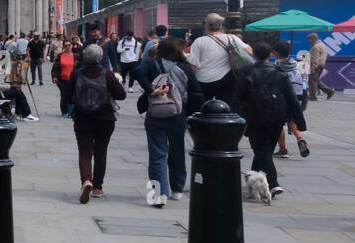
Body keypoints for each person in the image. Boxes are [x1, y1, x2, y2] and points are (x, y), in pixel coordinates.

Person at [134, 38, 202, 207]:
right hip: (178, 115)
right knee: (177, 150)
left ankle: (158, 194)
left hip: (155, 113)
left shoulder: (151, 64)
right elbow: (196, 92)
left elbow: (137, 71)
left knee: (157, 154)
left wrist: (151, 90)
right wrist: (192, 114)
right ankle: (177, 188)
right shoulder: (185, 67)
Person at [234, 41, 303, 199]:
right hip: (276, 117)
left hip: (254, 116)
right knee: (263, 151)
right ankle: (253, 184)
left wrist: (235, 118)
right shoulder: (279, 72)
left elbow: (238, 97)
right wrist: (299, 120)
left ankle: (273, 183)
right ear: (270, 54)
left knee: (261, 151)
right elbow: (291, 98)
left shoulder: (245, 71)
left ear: (254, 55)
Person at [65, 44, 126, 203]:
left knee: (84, 152)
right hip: (105, 118)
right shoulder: (108, 74)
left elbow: (68, 96)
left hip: (82, 118)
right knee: (101, 151)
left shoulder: (77, 74)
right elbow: (121, 95)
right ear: (100, 58)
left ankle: (86, 180)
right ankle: (98, 188)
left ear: (85, 57)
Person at [188, 12, 251, 105]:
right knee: (225, 108)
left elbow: (193, 65)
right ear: (221, 25)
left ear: (206, 26)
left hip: (203, 79)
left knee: (203, 109)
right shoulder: (232, 38)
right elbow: (249, 51)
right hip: (226, 79)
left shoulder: (199, 41)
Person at [272, 40, 310, 158]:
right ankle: (299, 138)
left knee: (278, 123)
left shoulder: (277, 67)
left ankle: (283, 149)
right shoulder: (297, 64)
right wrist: (305, 99)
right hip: (298, 96)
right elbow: (305, 82)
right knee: (291, 120)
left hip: (283, 98)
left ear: (276, 53)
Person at [51, 42, 78, 117]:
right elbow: (55, 68)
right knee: (64, 95)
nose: (68, 47)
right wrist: (54, 77)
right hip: (62, 80)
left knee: (73, 95)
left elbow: (80, 67)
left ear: (72, 46)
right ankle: (64, 111)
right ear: (63, 47)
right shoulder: (60, 56)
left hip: (73, 80)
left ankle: (72, 111)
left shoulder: (76, 56)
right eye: (66, 45)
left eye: (69, 45)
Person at [307, 33, 336, 100]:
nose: (309, 41)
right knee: (315, 80)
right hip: (321, 64)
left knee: (312, 81)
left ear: (313, 38)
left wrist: (312, 68)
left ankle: (313, 96)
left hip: (316, 65)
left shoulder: (316, 47)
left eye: (309, 39)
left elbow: (315, 59)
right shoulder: (322, 45)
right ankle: (329, 91)